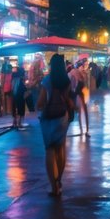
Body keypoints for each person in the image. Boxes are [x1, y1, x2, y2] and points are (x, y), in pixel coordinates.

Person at [36, 53, 75, 197]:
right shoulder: (66, 80)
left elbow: (41, 102)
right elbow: (68, 99)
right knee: (61, 149)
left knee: (50, 150)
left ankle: (54, 187)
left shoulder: (47, 80)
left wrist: (38, 104)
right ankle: (59, 180)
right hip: (62, 117)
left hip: (49, 118)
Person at [70, 59, 90, 136]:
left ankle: (84, 130)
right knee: (82, 111)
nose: (86, 66)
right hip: (81, 93)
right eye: (85, 64)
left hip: (81, 93)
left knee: (82, 111)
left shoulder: (74, 72)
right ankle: (85, 130)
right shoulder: (78, 72)